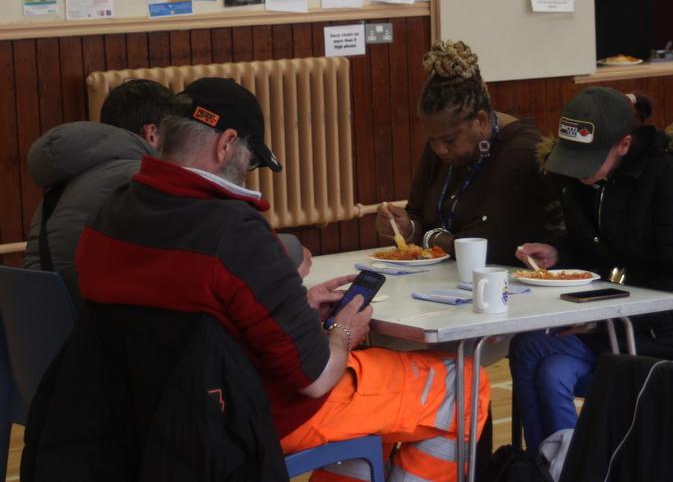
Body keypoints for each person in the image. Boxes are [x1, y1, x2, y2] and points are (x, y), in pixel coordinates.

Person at [76, 77, 489, 482]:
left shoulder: (107, 217)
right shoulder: (233, 231)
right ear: (225, 145)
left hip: (145, 418)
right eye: (251, 160)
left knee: (375, 413)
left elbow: (194, 320)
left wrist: (297, 308)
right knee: (462, 384)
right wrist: (343, 329)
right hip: (248, 417)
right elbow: (315, 377)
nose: (249, 173)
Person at [510, 87, 673, 451]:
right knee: (538, 358)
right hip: (606, 319)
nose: (577, 171)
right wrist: (559, 254)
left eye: (588, 159)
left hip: (659, 331)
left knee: (542, 360)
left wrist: (601, 318)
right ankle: (551, 468)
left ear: (624, 145)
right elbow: (594, 248)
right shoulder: (583, 180)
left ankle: (567, 468)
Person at [376, 40, 563, 266]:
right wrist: (406, 228)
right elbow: (417, 214)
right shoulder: (442, 140)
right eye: (431, 139)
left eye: (449, 140)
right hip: (446, 281)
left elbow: (485, 245)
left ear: (481, 121)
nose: (438, 149)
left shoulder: (520, 152)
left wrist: (428, 236)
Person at [23, 79, 175, 306]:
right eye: (175, 134)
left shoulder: (69, 179)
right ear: (152, 134)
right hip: (90, 329)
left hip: (42, 328)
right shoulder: (139, 179)